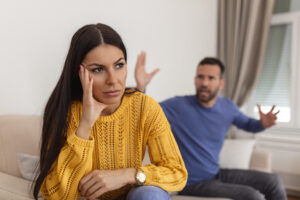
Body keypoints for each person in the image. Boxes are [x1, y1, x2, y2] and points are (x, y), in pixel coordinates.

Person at [33, 23, 187, 200]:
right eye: (98, 69)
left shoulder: (145, 106)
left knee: (150, 194)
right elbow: (57, 194)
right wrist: (85, 124)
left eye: (119, 65)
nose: (113, 80)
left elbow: (177, 172)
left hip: (133, 196)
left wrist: (127, 175)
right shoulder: (65, 112)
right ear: (79, 72)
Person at [135, 53, 287, 200]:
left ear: (221, 83)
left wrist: (262, 124)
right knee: (253, 196)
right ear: (195, 80)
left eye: (211, 78)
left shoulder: (228, 106)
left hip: (215, 174)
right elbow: (146, 112)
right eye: (200, 77)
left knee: (273, 181)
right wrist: (141, 88)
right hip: (191, 182)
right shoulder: (178, 106)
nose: (205, 83)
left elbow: (248, 124)